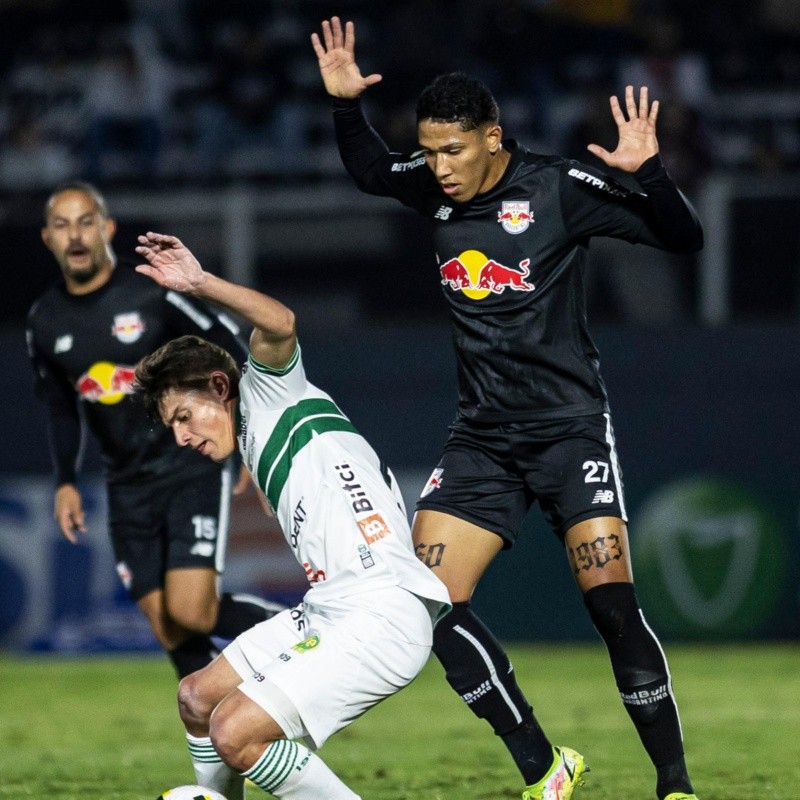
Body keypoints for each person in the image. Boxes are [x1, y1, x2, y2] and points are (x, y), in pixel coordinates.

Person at [311, 16, 703, 800]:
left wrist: (650, 173)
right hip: (482, 440)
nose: (438, 167)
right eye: (428, 150)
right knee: (423, 606)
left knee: (614, 610)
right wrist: (346, 107)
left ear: (493, 137)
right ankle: (543, 766)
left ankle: (675, 785)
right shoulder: (431, 188)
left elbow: (683, 239)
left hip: (568, 432)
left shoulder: (558, 188)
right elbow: (369, 172)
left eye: (453, 150)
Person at [132, 231, 451, 800]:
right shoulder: (249, 435)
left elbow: (280, 322)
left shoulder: (270, 391)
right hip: (330, 610)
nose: (181, 436)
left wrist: (200, 283)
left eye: (184, 416)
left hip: (380, 614)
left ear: (218, 385)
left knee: (235, 732)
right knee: (198, 698)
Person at [26, 181, 283, 679]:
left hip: (188, 468)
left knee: (191, 613)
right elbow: (60, 407)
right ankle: (219, 719)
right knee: (166, 626)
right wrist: (64, 481)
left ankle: (308, 631)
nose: (75, 235)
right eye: (62, 225)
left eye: (86, 222)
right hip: (125, 485)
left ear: (107, 228)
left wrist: (242, 434)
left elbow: (228, 345)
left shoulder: (150, 292)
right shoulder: (44, 321)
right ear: (47, 238)